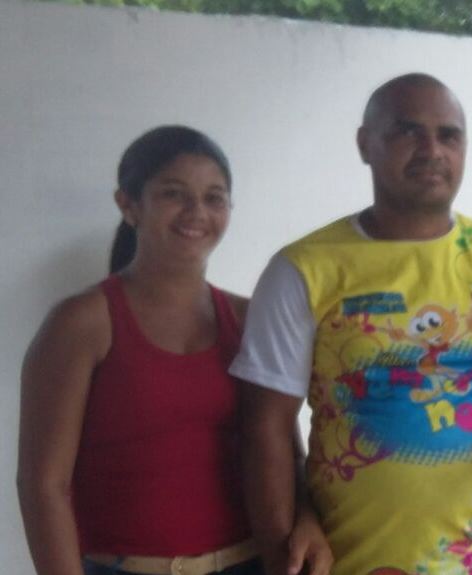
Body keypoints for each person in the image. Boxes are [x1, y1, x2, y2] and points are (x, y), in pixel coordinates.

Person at [231, 74, 472, 575]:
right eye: (407, 131)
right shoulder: (305, 269)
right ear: (364, 144)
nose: (431, 149)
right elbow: (264, 426)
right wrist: (280, 548)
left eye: (448, 135)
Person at [17, 125, 331, 575]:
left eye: (214, 197)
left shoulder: (248, 320)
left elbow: (283, 449)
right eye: (173, 194)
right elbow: (44, 485)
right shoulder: (82, 323)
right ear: (129, 204)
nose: (196, 212)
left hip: (248, 564)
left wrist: (305, 517)